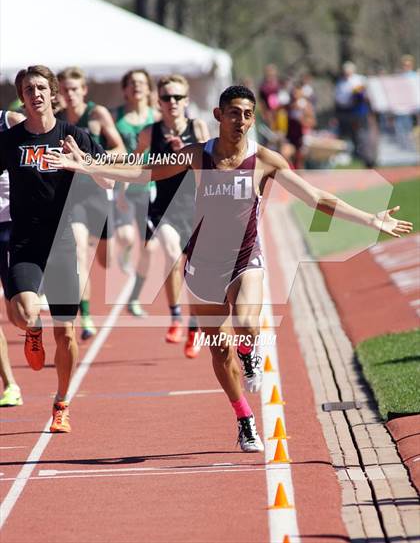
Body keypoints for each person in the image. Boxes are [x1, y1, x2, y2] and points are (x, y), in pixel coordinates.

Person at [45, 85, 413, 452]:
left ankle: (249, 349)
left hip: (244, 259)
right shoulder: (198, 156)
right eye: (234, 112)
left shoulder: (265, 160)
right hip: (203, 264)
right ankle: (244, 419)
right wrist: (89, 164)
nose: (241, 120)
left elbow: (316, 197)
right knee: (219, 351)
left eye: (248, 114)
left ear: (254, 119)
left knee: (248, 324)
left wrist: (369, 219)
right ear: (219, 116)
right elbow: (143, 170)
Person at [0, 65, 108, 431]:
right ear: (22, 96)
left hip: (61, 242)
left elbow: (107, 178)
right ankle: (33, 330)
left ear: (53, 93)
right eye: (29, 89)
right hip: (26, 240)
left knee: (67, 334)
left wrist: (82, 163)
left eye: (42, 87)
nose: (36, 94)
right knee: (24, 311)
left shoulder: (73, 135)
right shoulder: (10, 141)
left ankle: (61, 402)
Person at [135, 74, 209, 358]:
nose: (172, 102)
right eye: (167, 97)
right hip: (164, 209)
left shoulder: (197, 127)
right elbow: (137, 163)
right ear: (159, 101)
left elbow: (209, 164)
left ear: (186, 101)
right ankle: (176, 317)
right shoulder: (149, 133)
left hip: (195, 207)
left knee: (195, 272)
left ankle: (193, 327)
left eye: (178, 97)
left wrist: (187, 153)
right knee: (171, 254)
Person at [57, 67, 124, 339]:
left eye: (74, 89)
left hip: (99, 192)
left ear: (84, 90)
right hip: (73, 197)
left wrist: (89, 160)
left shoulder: (97, 114)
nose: (70, 94)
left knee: (106, 259)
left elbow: (120, 150)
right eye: (64, 89)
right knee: (79, 253)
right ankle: (85, 317)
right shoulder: (57, 119)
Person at [112, 69, 160, 316]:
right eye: (132, 83)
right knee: (126, 237)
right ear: (125, 90)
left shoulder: (157, 117)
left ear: (148, 88)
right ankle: (125, 253)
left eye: (142, 83)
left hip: (149, 187)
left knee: (150, 248)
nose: (137, 87)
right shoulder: (116, 116)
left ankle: (134, 297)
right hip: (122, 185)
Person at [0, 109, 25, 407]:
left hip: (10, 223)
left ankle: (32, 326)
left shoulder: (9, 121)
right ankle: (10, 384)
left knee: (18, 314)